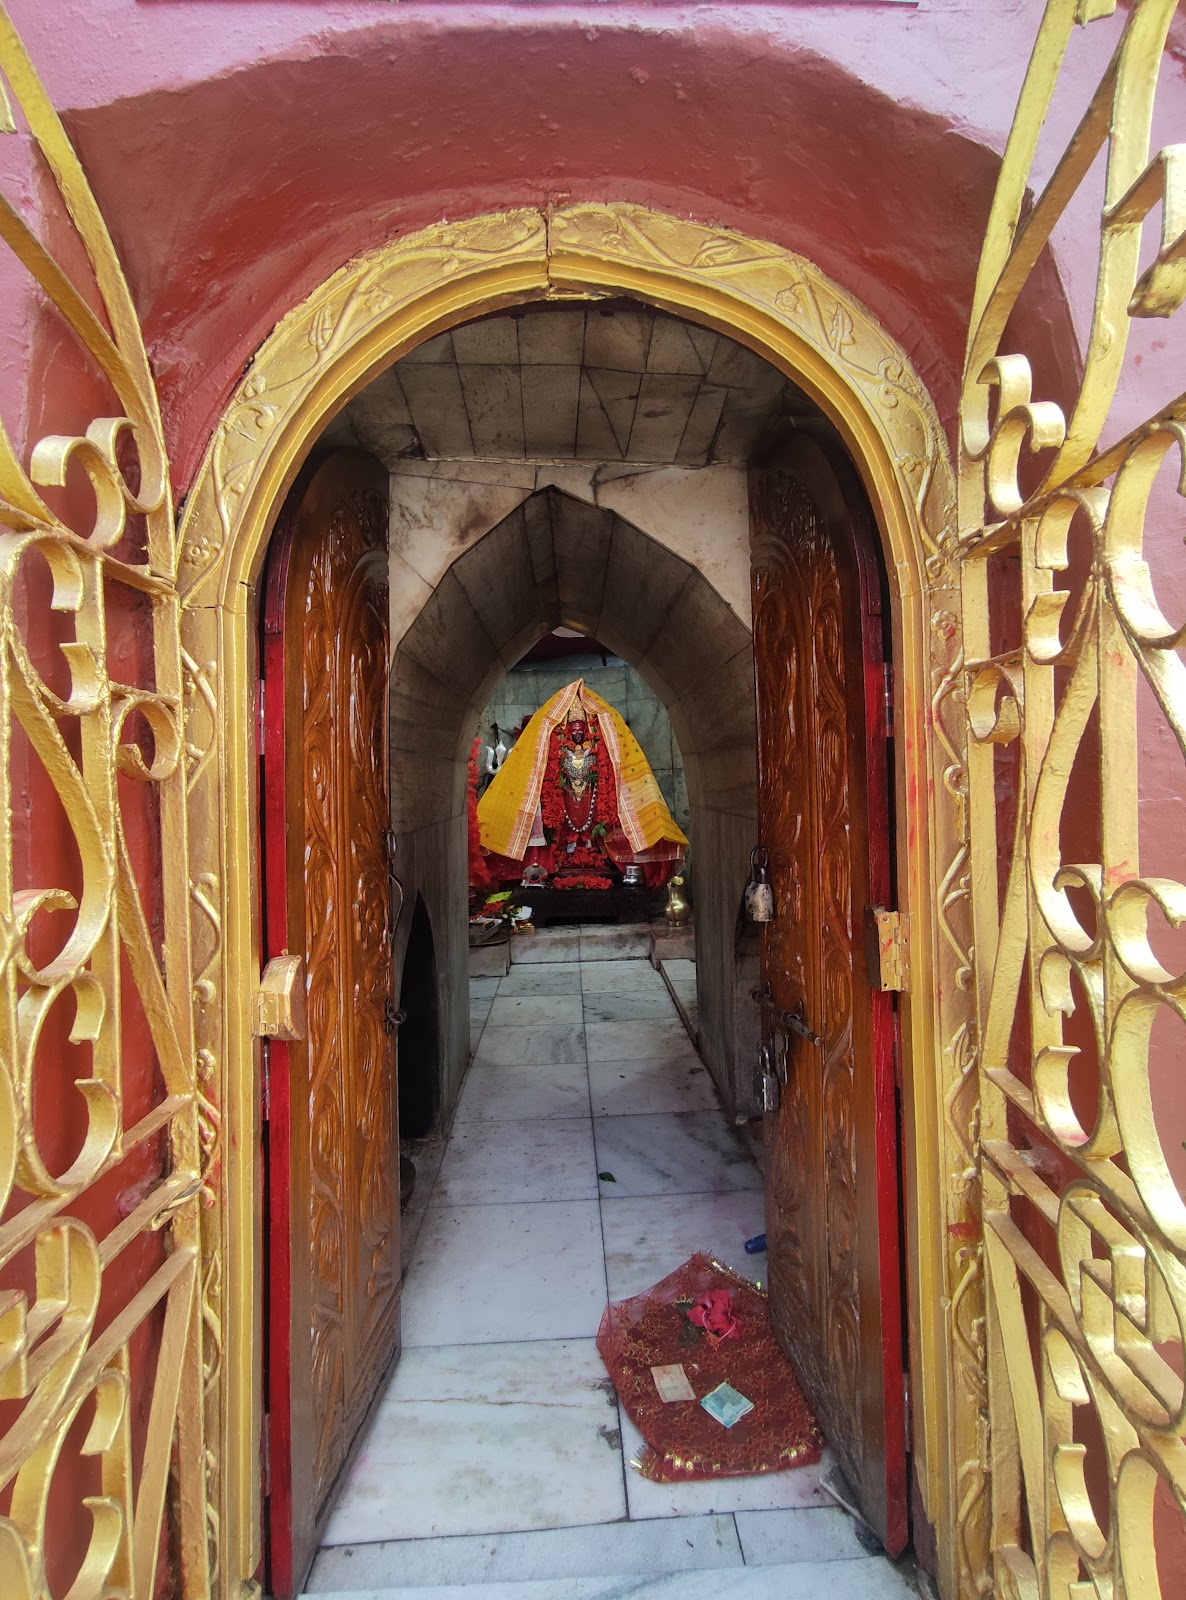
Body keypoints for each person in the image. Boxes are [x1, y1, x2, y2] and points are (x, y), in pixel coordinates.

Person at [477, 679, 686, 889]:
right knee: (566, 821)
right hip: (565, 793)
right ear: (566, 730)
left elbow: (608, 765)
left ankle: (592, 848)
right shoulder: (559, 748)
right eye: (573, 729)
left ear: (587, 729)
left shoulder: (593, 747)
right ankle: (567, 853)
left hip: (590, 792)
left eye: (581, 728)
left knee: (594, 819)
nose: (577, 733)